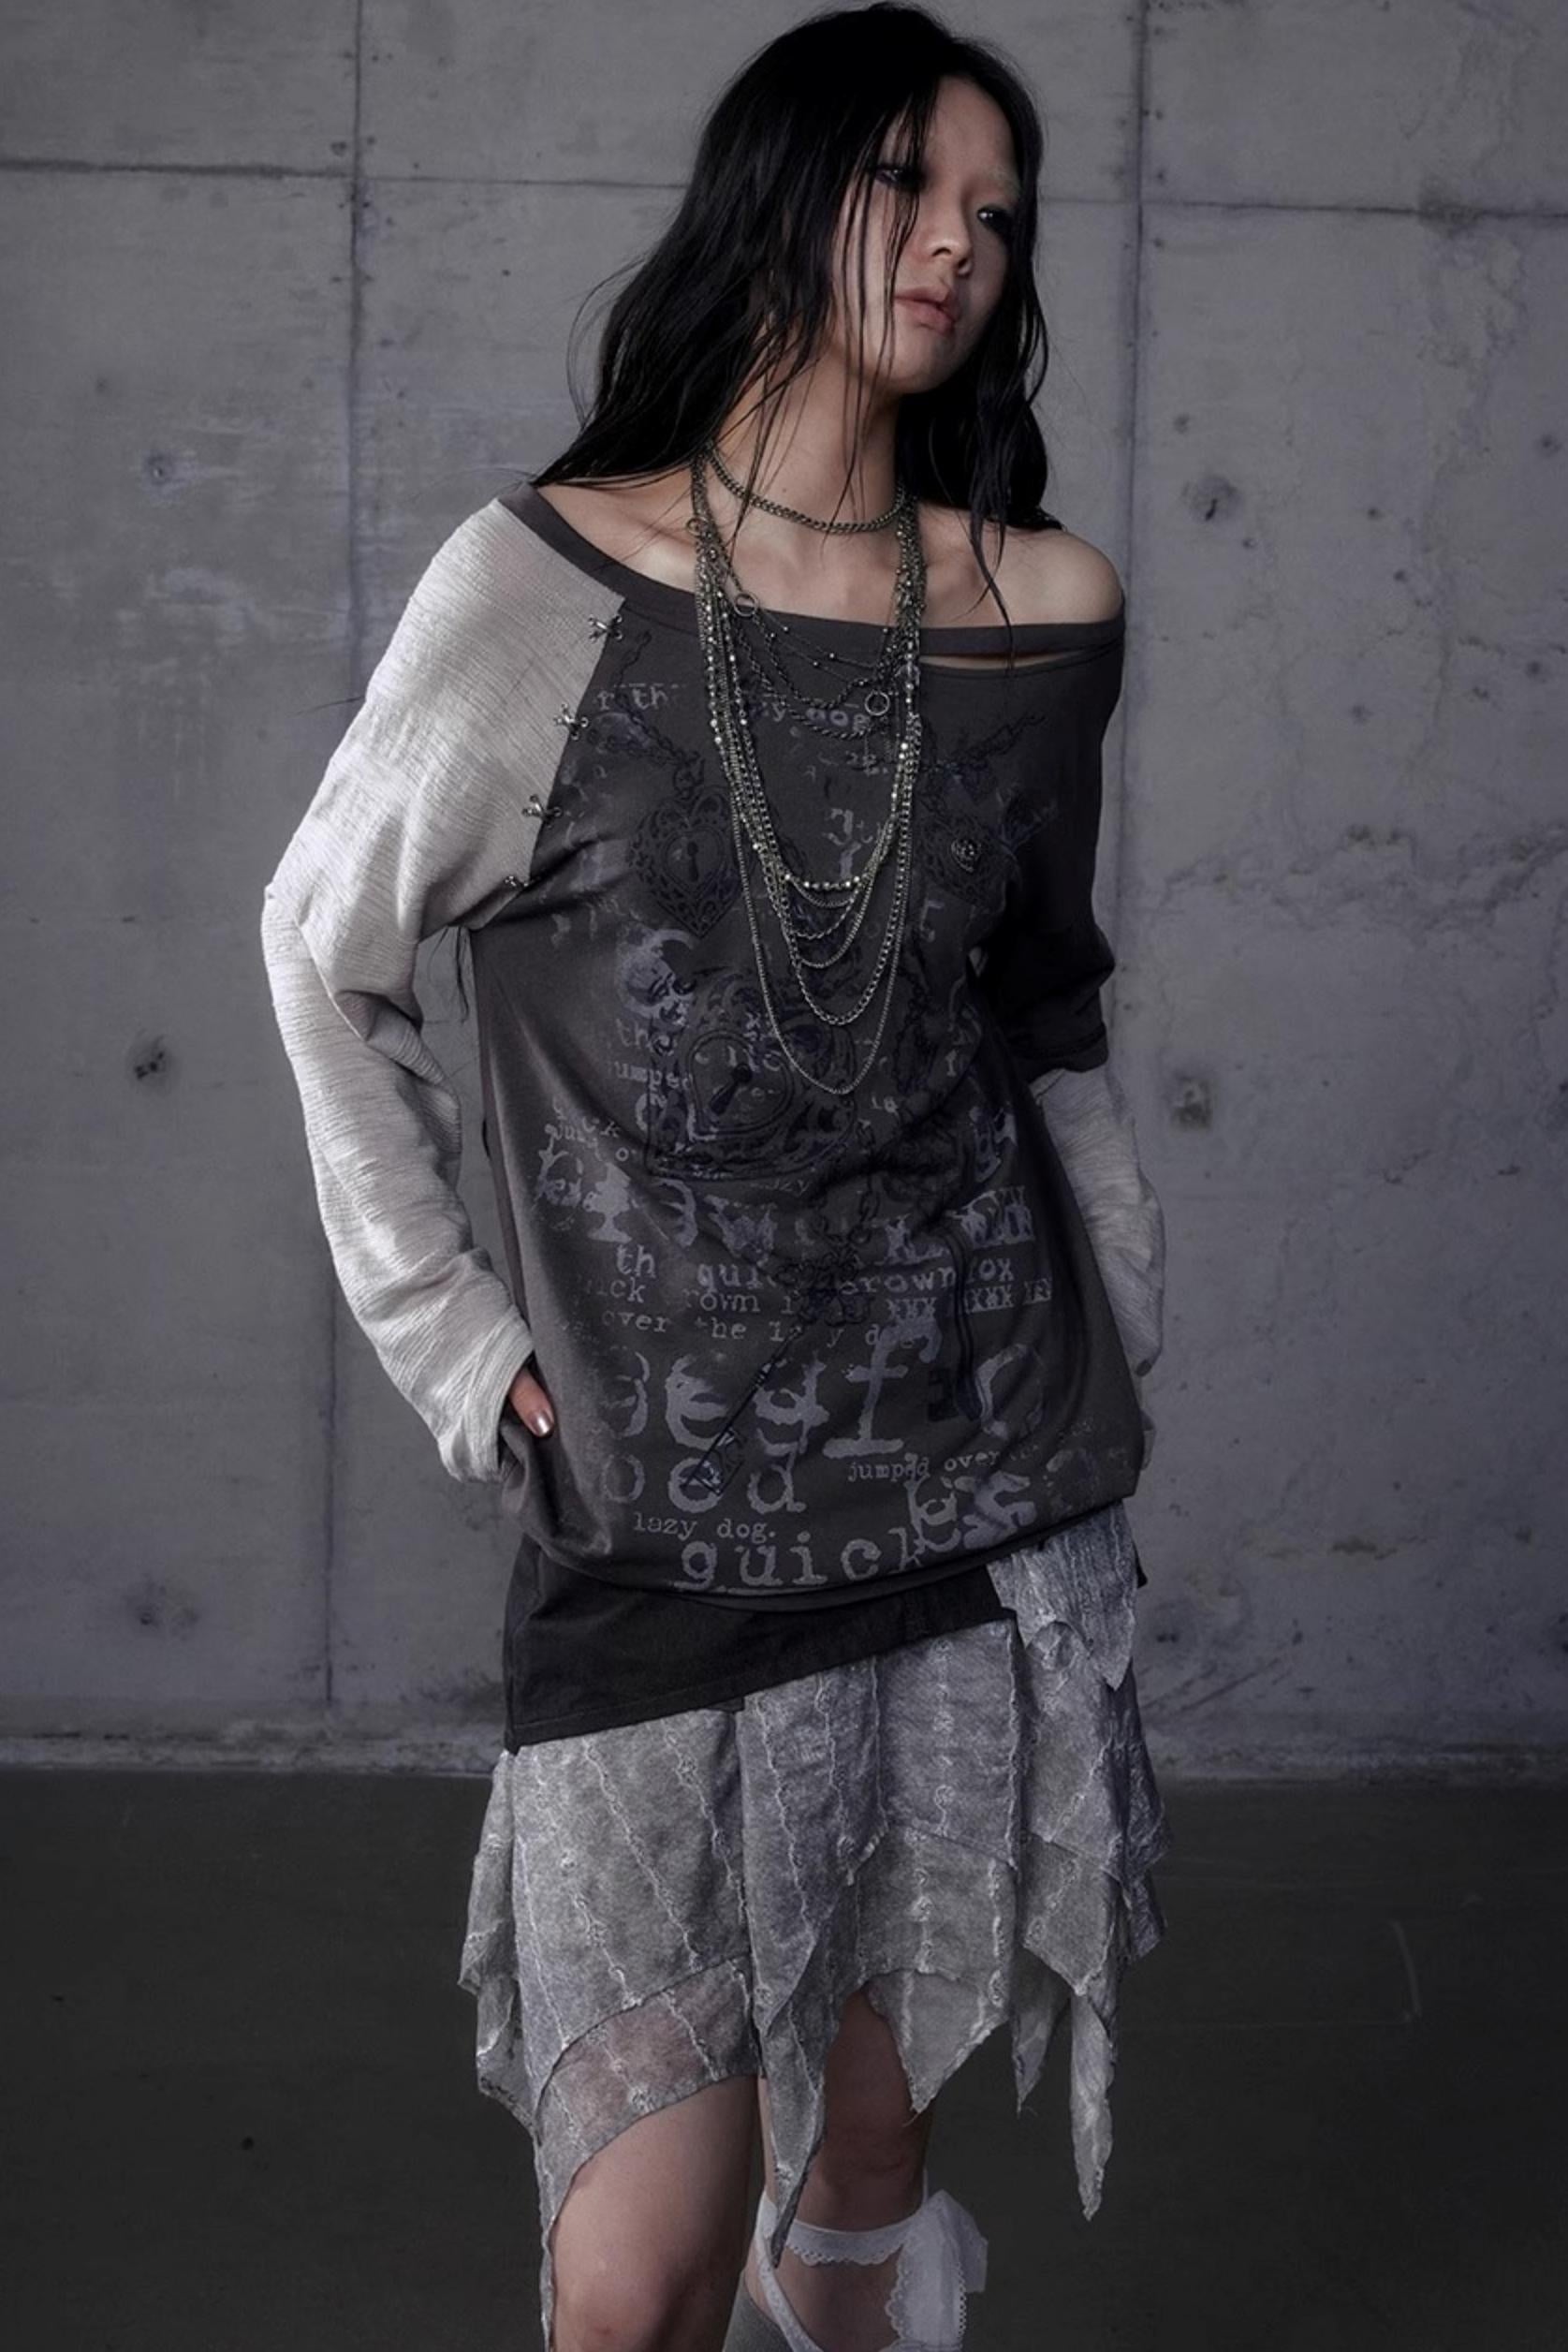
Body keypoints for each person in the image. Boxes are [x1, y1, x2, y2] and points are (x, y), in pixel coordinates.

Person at [259, 7, 1173, 2347]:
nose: (956, 245)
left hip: (972, 1479)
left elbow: (1042, 1002)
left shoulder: (1037, 607)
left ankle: (861, 2282)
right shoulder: (543, 584)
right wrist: (460, 1338)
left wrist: (1122, 1304)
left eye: (996, 213)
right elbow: (321, 946)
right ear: (779, 195)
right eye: (903, 185)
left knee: (865, 2158)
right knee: (634, 2279)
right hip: (660, 1520)